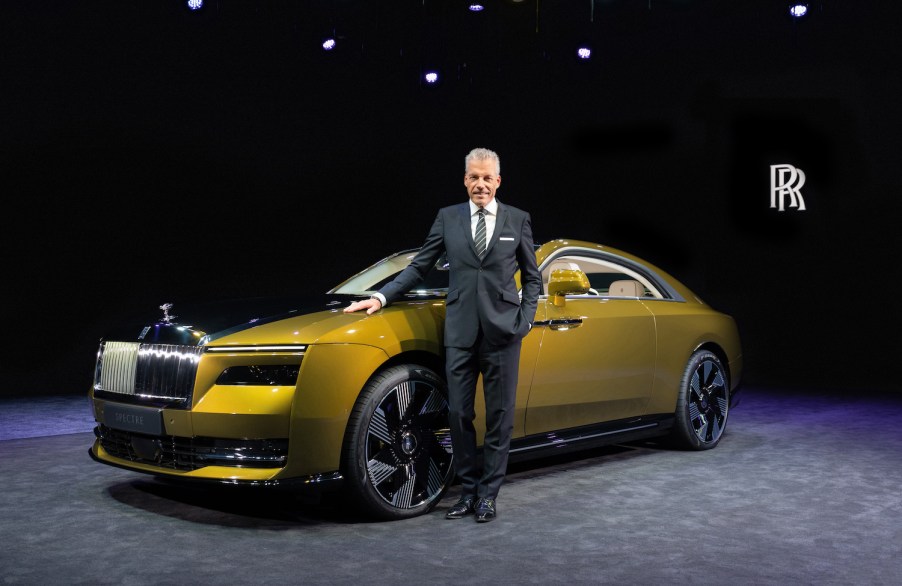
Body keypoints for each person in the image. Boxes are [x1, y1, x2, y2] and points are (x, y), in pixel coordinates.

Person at [344, 147, 542, 523]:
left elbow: (533, 278)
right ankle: (467, 493)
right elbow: (419, 267)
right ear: (465, 179)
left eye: (487, 178)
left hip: (503, 334)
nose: (480, 184)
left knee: (500, 417)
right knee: (458, 414)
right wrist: (381, 296)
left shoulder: (517, 220)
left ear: (498, 181)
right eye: (474, 177)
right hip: (460, 332)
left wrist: (525, 321)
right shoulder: (448, 218)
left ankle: (488, 496)